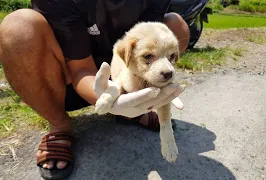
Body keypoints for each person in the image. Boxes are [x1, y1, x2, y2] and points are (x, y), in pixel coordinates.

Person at [0, 0, 189, 179]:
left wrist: (127, 94)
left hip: (122, 74)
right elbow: (81, 69)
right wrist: (110, 99)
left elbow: (148, 42)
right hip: (61, 79)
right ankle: (59, 124)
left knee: (176, 25)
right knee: (18, 28)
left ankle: (135, 107)